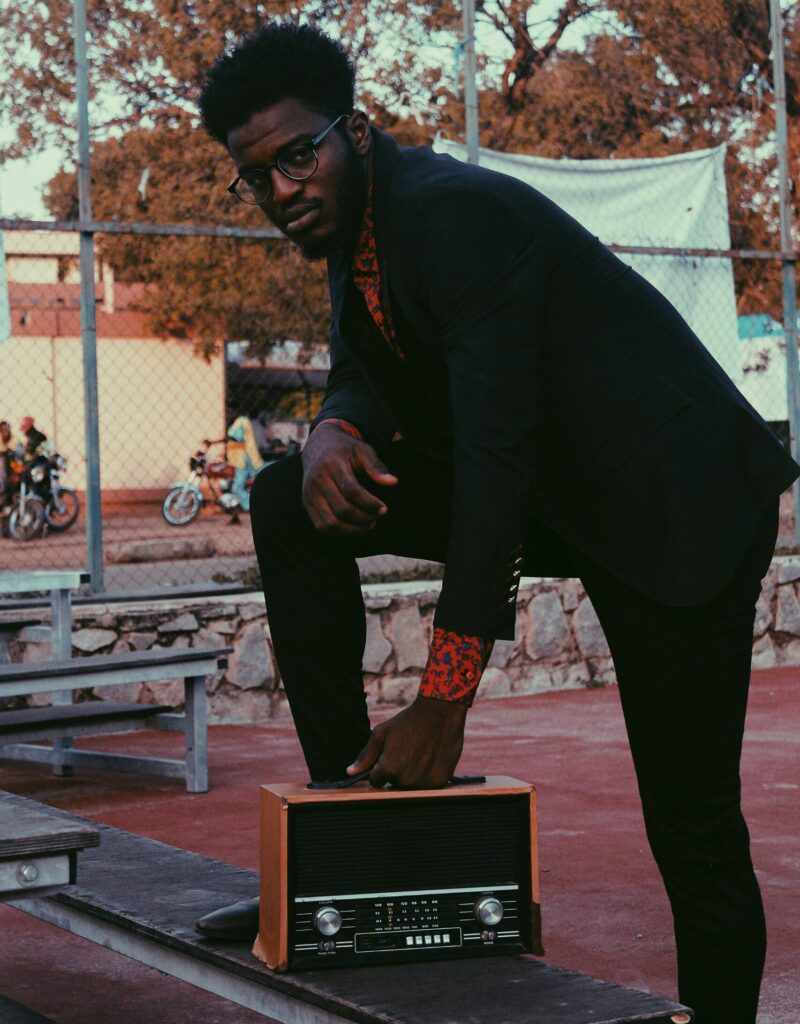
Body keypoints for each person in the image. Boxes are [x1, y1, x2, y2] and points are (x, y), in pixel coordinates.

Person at [194, 24, 798, 1024]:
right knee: (284, 495)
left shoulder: (450, 217)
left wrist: (443, 698)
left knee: (689, 823)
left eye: (297, 155)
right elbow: (361, 363)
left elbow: (493, 462)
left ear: (356, 130)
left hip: (673, 501)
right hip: (566, 491)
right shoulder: (356, 232)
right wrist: (335, 429)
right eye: (256, 177)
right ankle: (338, 850)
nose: (282, 189)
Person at [226, 411, 265, 512]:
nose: (227, 412)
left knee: (237, 487)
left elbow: (236, 437)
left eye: (230, 409)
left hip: (244, 459)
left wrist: (215, 441)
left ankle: (251, 506)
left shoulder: (241, 421)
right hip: (242, 458)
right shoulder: (238, 422)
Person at [0, 420, 22, 510]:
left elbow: (20, 453)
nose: (7, 431)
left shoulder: (15, 439)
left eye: (8, 429)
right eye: (4, 430)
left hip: (14, 466)